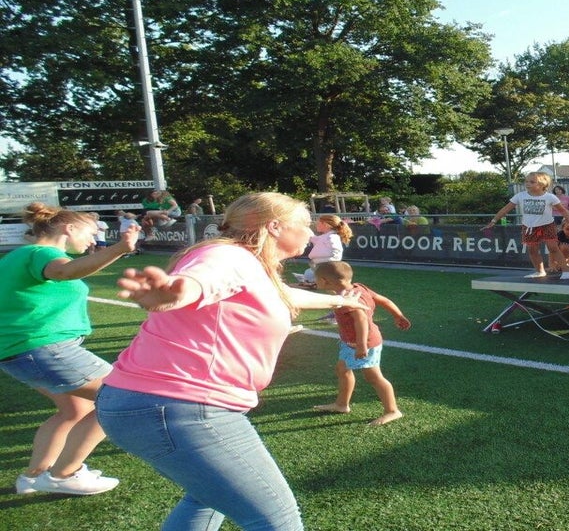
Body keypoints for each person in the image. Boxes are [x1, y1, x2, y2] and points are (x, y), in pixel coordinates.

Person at [96, 192, 367, 530]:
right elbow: (199, 281)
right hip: (179, 405)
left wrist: (341, 300)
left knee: (207, 497)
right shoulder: (227, 256)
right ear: (275, 226)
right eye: (304, 223)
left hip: (151, 402)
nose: (311, 232)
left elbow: (283, 294)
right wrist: (173, 294)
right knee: (277, 521)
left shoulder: (249, 264)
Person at [1, 203, 139, 496]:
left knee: (75, 410)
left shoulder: (20, 255)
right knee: (124, 397)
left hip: (22, 352)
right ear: (69, 228)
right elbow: (65, 272)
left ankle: (33, 476)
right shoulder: (42, 253)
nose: (92, 240)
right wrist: (120, 248)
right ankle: (65, 473)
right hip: (42, 348)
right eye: (90, 233)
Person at [310, 261, 411, 426]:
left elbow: (361, 320)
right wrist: (398, 315)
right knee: (342, 369)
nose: (315, 282)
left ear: (325, 281)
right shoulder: (359, 288)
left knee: (373, 377)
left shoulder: (348, 299)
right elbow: (383, 300)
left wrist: (362, 345)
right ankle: (342, 404)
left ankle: (392, 410)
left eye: (316, 279)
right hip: (351, 342)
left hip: (364, 343)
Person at [484, 171, 569, 279]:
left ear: (542, 184)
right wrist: (494, 220)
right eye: (526, 181)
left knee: (553, 248)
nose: (527, 184)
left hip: (547, 225)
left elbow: (563, 210)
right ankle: (540, 271)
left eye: (532, 182)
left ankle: (566, 271)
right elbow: (506, 209)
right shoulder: (520, 196)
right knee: (532, 250)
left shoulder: (550, 197)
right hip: (529, 227)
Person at [302, 214, 353, 285]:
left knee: (309, 274)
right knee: (308, 274)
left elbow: (336, 253)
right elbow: (312, 237)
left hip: (326, 268)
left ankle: (316, 283)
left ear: (326, 225)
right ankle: (312, 282)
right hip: (320, 267)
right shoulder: (326, 237)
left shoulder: (332, 237)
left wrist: (326, 263)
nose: (316, 225)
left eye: (319, 223)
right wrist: (303, 226)